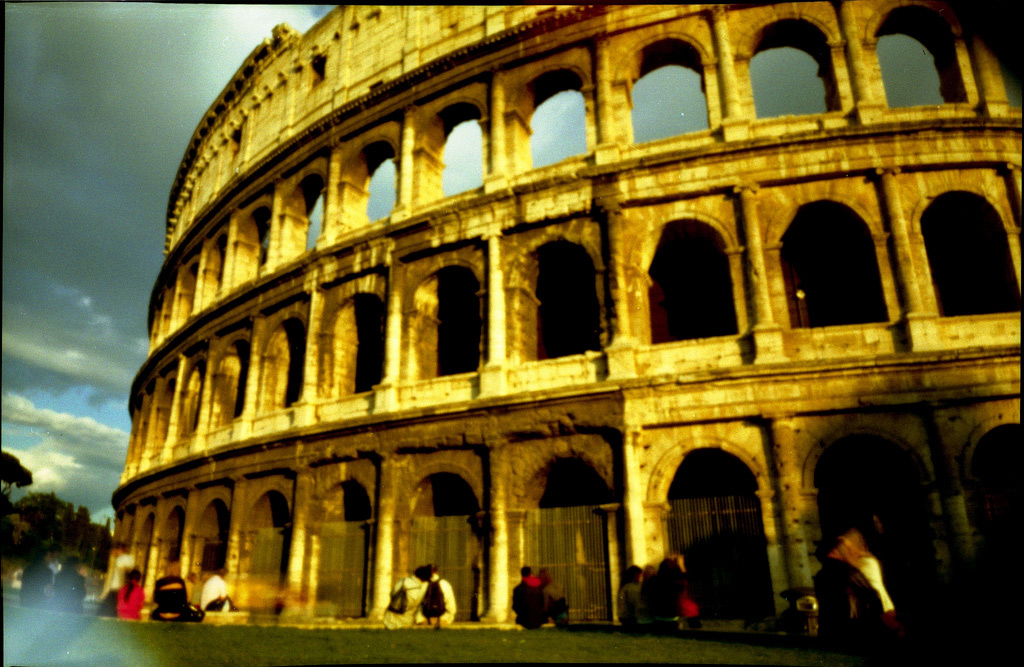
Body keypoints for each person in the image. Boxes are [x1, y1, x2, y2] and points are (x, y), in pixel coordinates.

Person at [815, 526, 904, 644]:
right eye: (847, 546)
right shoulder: (850, 572)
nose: (851, 549)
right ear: (837, 548)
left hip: (832, 634)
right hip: (858, 632)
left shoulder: (821, 575)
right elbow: (874, 599)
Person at [383, 565, 432, 629]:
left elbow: (392, 593)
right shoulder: (423, 589)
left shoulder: (404, 581)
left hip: (392, 617)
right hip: (408, 620)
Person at [98, 543, 135, 617]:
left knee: (107, 609)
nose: (112, 552)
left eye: (113, 550)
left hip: (119, 589)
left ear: (119, 550)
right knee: (108, 609)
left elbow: (128, 571)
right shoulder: (119, 559)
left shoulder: (126, 559)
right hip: (115, 588)